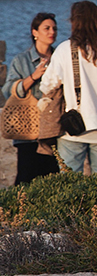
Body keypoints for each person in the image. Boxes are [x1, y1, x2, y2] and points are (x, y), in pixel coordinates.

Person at [39, 0, 97, 179]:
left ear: (74, 22)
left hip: (75, 126)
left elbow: (47, 84)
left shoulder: (65, 49)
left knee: (70, 180)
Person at [3, 11, 59, 184]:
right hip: (27, 128)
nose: (52, 32)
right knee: (26, 178)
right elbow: (8, 91)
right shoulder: (21, 60)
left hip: (53, 127)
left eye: (54, 28)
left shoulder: (60, 58)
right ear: (35, 32)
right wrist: (34, 76)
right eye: (47, 28)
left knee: (52, 179)